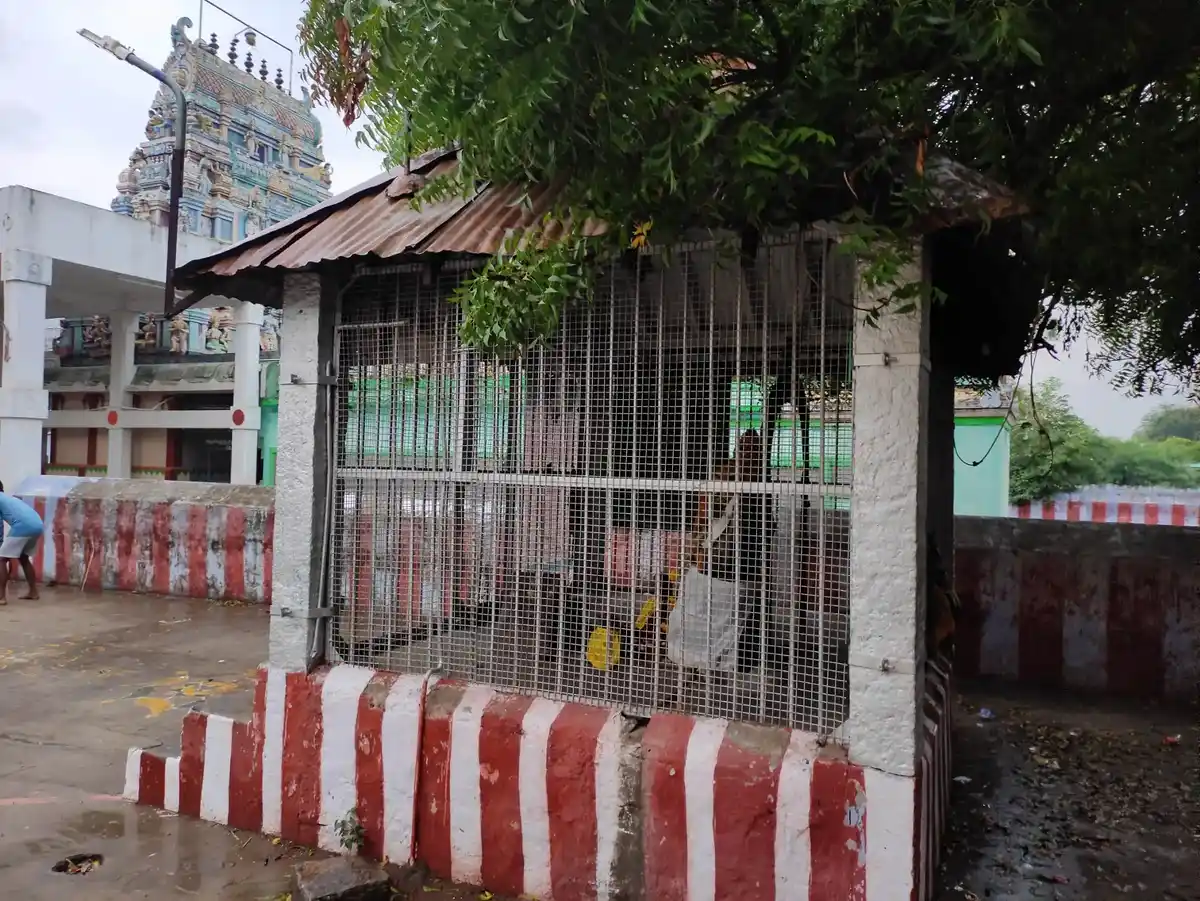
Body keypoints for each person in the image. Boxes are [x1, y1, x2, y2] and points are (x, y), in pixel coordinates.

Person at [0, 482, 43, 604]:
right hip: (38, 525)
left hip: (23, 526)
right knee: (24, 558)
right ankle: (33, 592)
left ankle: (1, 597)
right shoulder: (10, 499)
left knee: (1, 559)